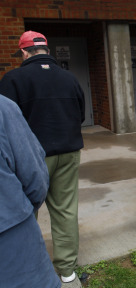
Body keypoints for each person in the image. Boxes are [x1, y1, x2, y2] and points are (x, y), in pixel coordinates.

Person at [0, 30, 85, 287]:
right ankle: (67, 270)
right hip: (69, 152)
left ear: (24, 52)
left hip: (32, 156)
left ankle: (31, 266)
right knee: (66, 210)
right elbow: (80, 114)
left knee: (27, 210)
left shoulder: (12, 79)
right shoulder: (70, 78)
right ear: (46, 50)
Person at [0, 95, 61, 288]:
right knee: (65, 208)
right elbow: (34, 177)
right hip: (12, 240)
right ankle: (67, 267)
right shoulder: (3, 107)